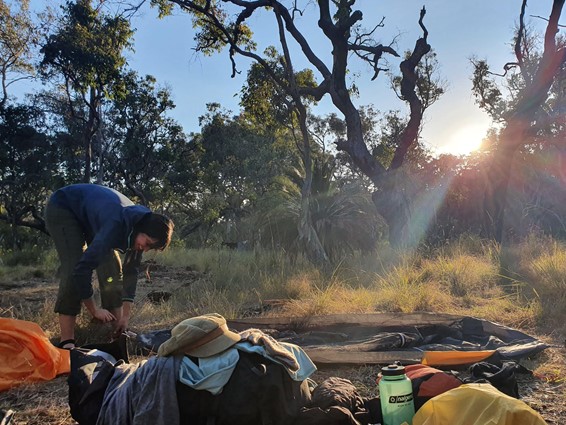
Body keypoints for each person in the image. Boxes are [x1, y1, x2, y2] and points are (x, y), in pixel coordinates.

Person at [44, 184, 174, 349]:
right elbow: (82, 270)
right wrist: (94, 310)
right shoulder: (116, 224)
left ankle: (117, 328)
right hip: (63, 207)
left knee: (112, 266)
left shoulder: (141, 228)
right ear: (141, 229)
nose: (145, 249)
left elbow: (131, 271)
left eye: (150, 247)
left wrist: (125, 317)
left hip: (94, 216)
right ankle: (67, 340)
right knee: (74, 265)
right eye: (147, 243)